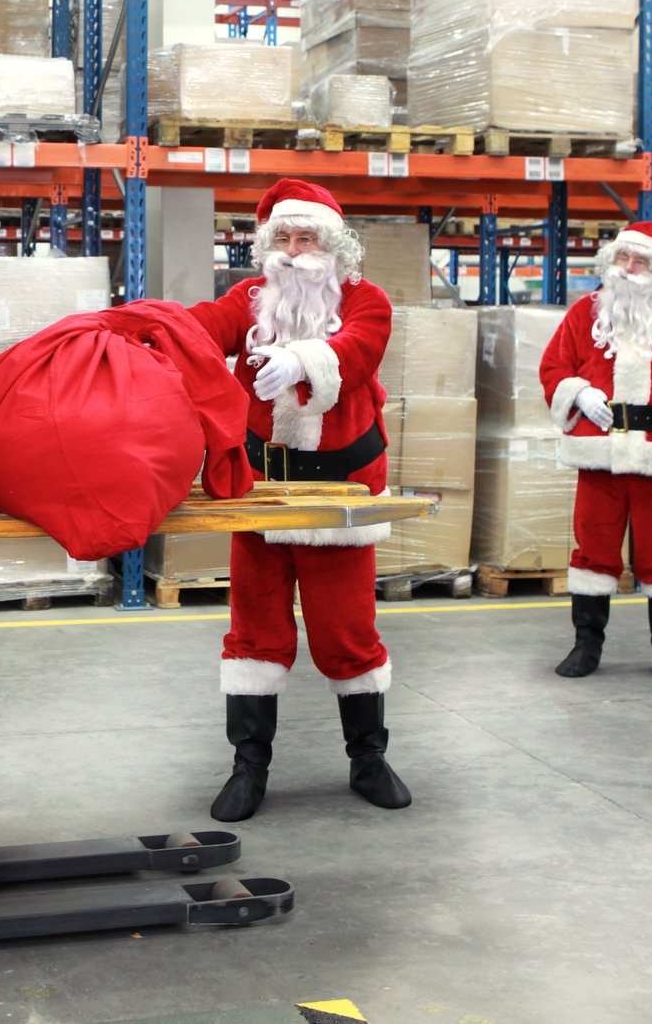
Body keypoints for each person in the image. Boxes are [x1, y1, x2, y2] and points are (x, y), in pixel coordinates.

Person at [185, 178, 409, 822]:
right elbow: (204, 328)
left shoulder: (367, 300)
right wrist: (155, 332)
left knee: (347, 630)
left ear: (333, 245)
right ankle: (248, 766)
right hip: (259, 491)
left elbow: (358, 352)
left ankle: (368, 757)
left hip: (341, 494)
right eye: (281, 238)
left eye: (306, 237)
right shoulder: (248, 299)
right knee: (255, 630)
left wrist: (305, 361)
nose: (292, 250)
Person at [538, 221, 652, 684]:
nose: (628, 268)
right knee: (593, 550)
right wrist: (578, 394)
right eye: (623, 258)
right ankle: (586, 645)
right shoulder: (585, 313)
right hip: (599, 455)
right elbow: (554, 367)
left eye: (640, 261)